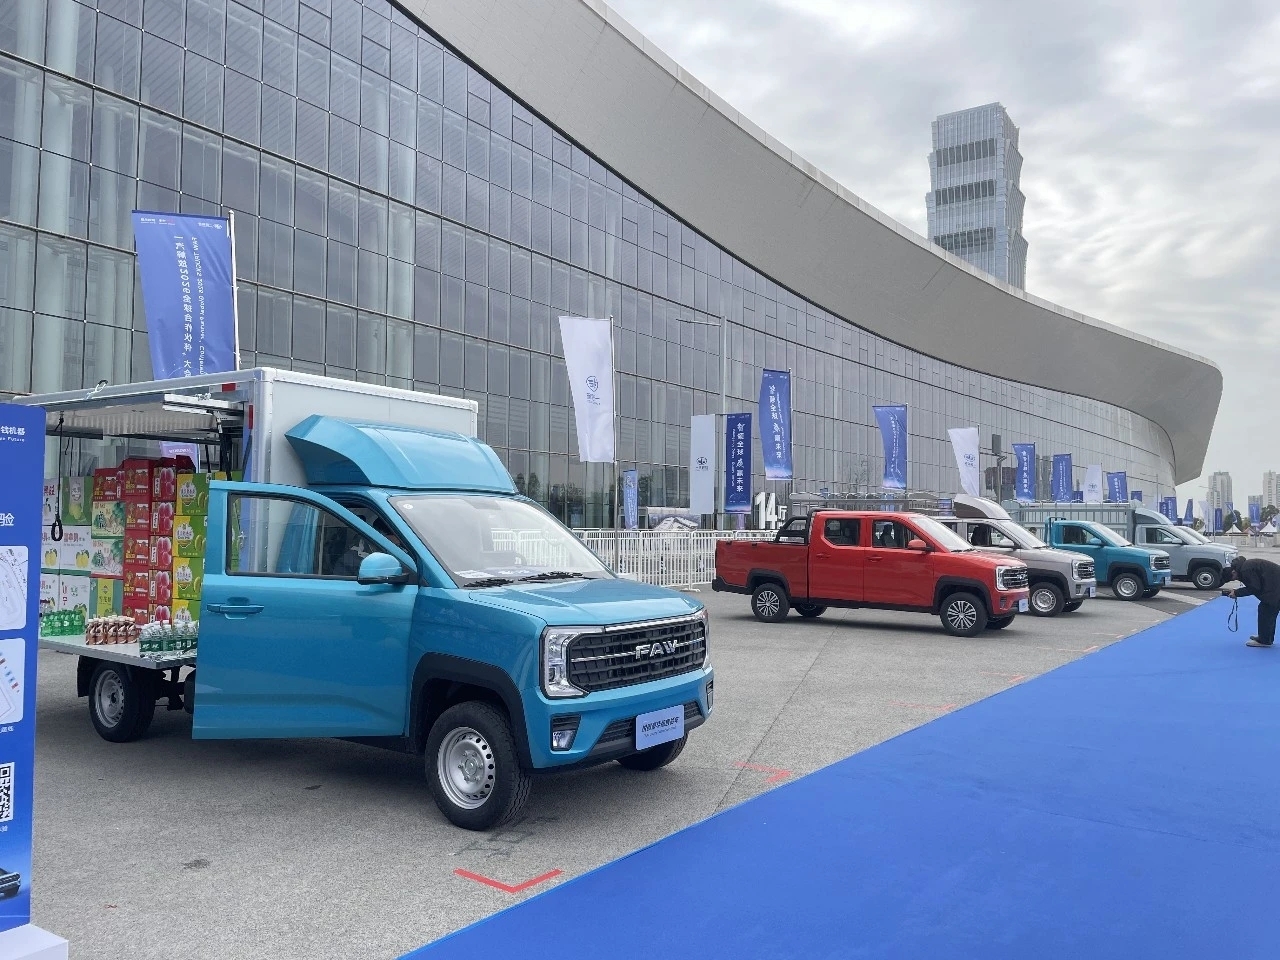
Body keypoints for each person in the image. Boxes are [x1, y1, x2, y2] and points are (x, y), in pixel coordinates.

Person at [1223, 556, 1280, 648]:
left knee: (1266, 611)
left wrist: (1236, 593)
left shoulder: (1246, 570)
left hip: (1274, 589)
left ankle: (1265, 640)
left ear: (1233, 572)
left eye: (1233, 578)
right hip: (1274, 587)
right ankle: (1266, 638)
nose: (1236, 579)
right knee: (1267, 611)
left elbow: (1254, 587)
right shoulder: (1246, 566)